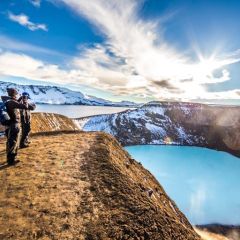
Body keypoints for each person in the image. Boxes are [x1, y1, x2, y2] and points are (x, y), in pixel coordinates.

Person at [1, 88, 35, 165]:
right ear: (14, 94)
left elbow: (17, 104)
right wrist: (25, 99)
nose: (17, 95)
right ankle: (11, 160)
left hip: (9, 124)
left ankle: (10, 158)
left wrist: (20, 98)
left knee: (10, 141)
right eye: (17, 94)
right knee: (13, 141)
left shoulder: (7, 101)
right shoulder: (11, 102)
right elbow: (25, 106)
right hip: (14, 124)